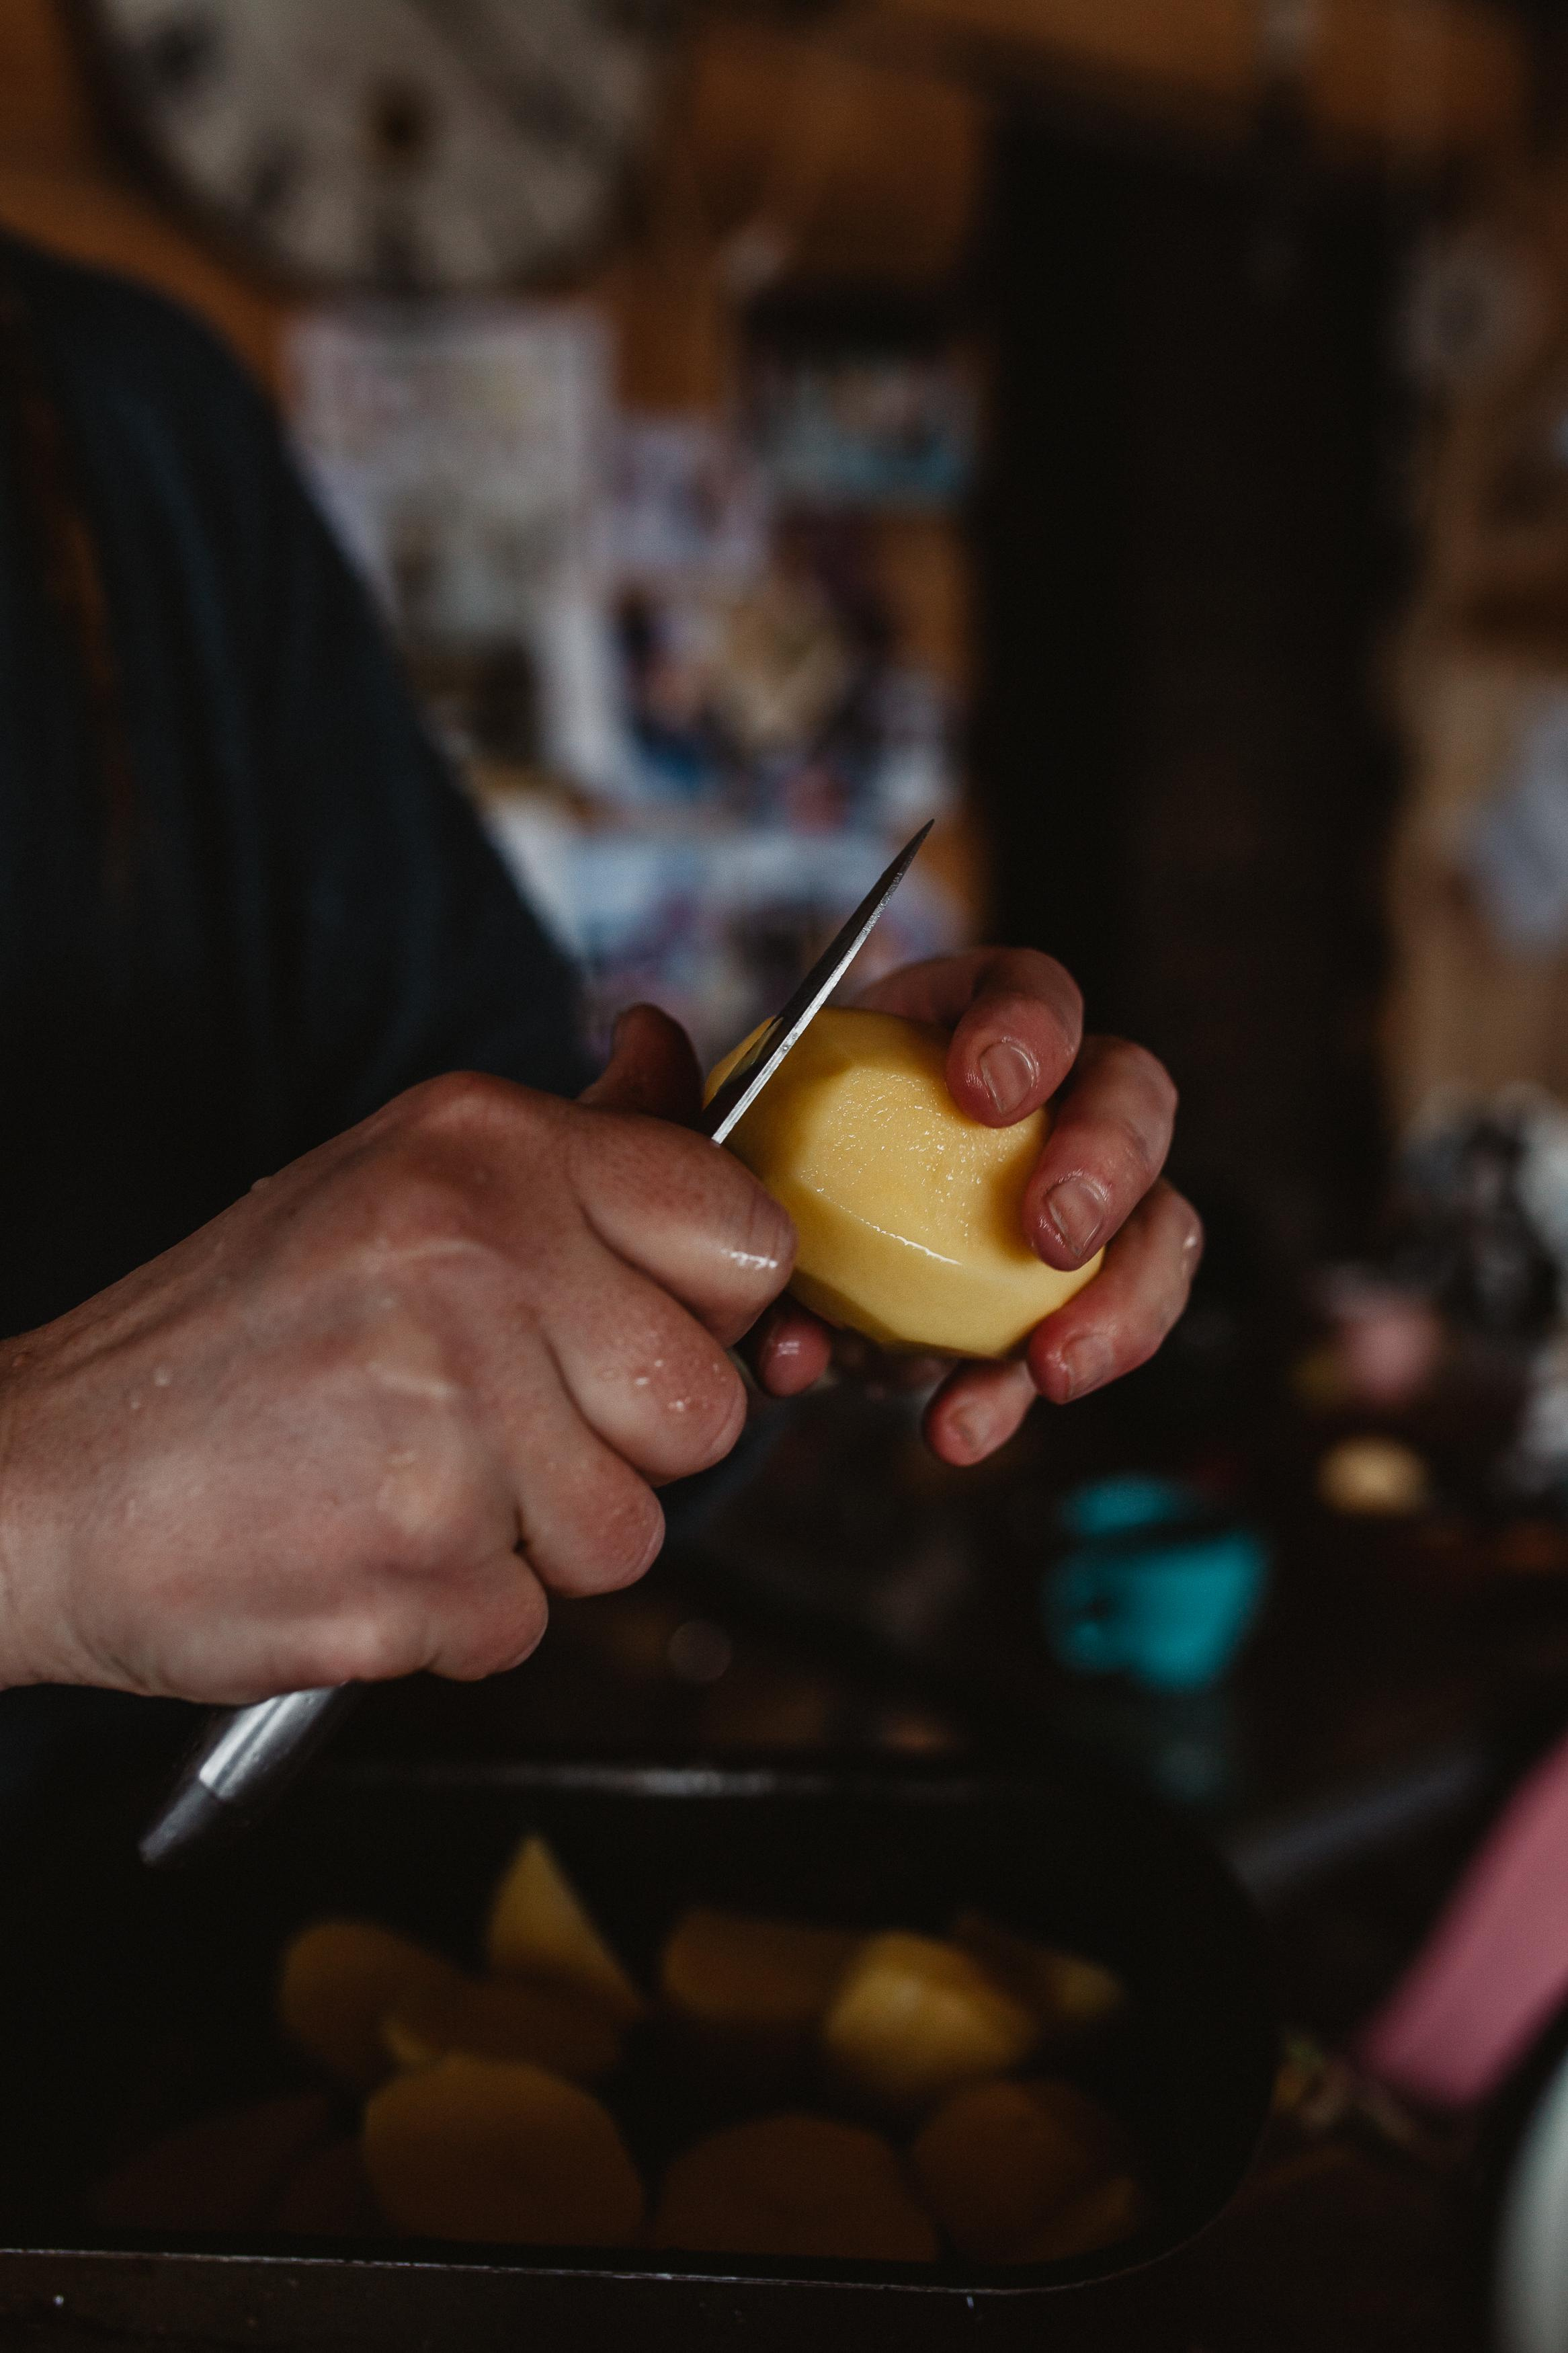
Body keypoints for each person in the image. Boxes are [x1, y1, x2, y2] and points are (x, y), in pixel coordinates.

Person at [0, 232, 1201, 1712]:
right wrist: (44, 1502)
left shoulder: (115, 423)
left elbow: (489, 1132)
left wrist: (756, 1213)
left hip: (193, 1881)